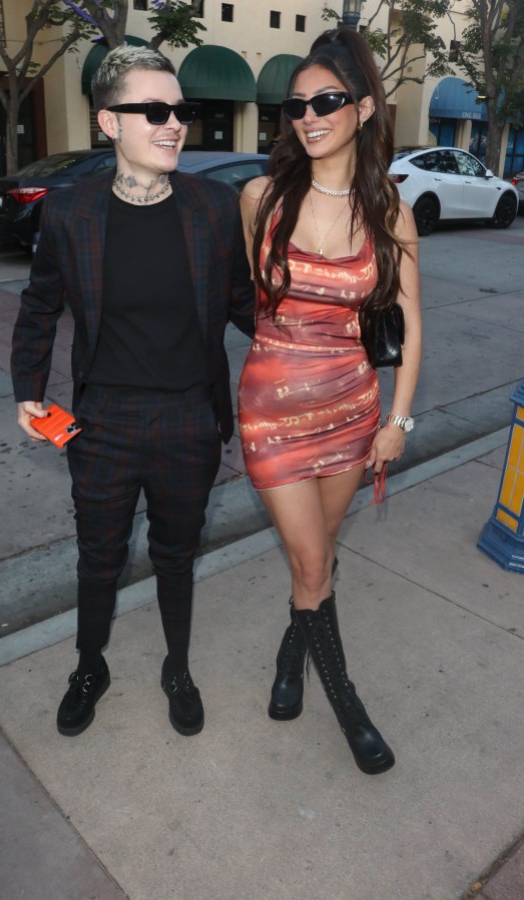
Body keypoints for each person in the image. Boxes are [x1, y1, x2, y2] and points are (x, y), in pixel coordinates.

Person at [11, 46, 255, 738]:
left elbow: (244, 304)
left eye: (179, 110)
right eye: (154, 110)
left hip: (189, 416)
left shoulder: (213, 207)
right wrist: (28, 388)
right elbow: (39, 306)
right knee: (100, 555)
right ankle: (91, 666)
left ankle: (176, 667)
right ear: (107, 124)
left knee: (178, 552)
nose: (174, 123)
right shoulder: (71, 214)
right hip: (103, 420)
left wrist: (313, 339)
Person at [238, 28, 422, 775]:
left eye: (327, 101)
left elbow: (409, 330)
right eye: (297, 105)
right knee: (313, 560)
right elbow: (243, 305)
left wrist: (398, 421)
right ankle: (348, 706)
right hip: (271, 415)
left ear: (364, 108)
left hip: (354, 413)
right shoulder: (259, 198)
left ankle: (292, 656)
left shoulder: (390, 212)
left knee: (315, 562)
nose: (309, 116)